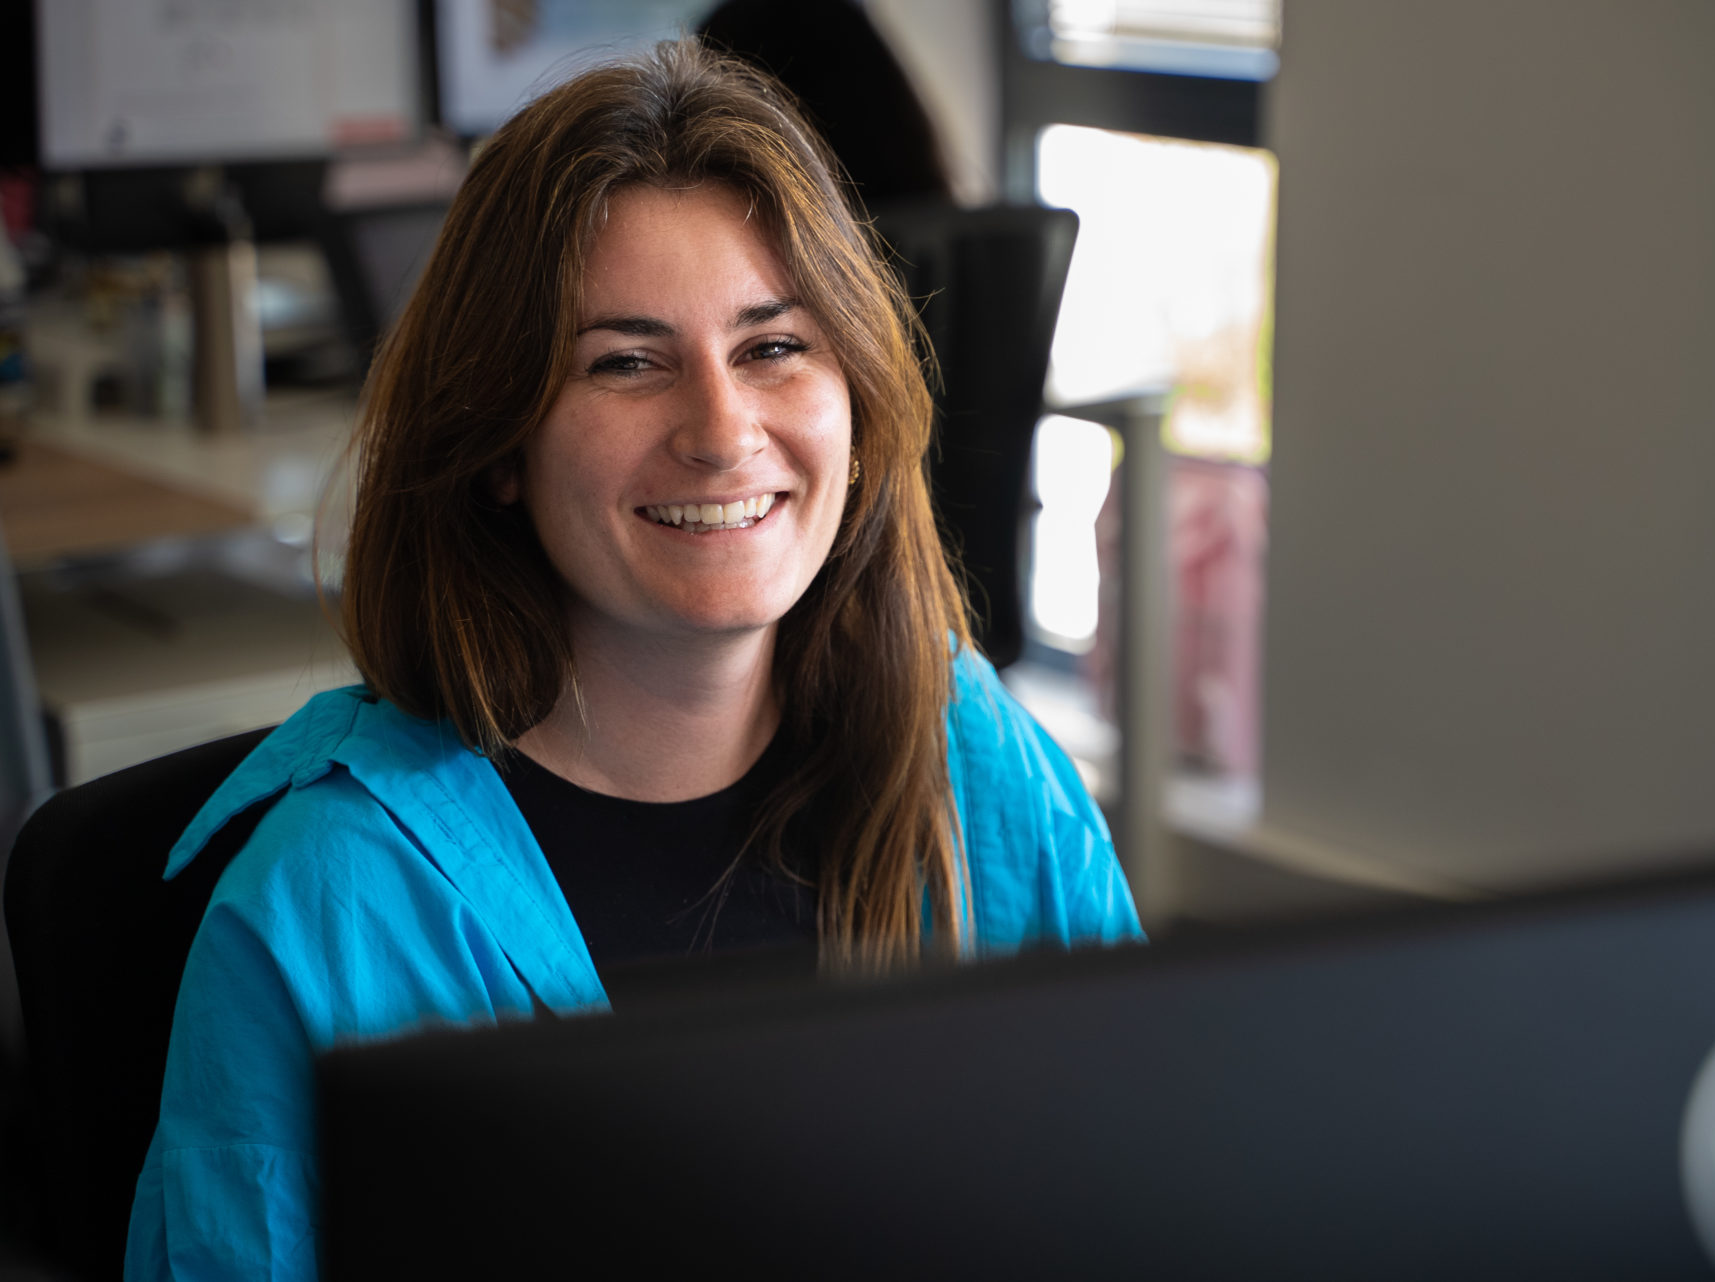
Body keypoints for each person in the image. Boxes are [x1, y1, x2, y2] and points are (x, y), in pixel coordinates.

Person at [124, 39, 1139, 1281]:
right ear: (498, 445)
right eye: (626, 362)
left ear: (858, 405)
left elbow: (1145, 1202)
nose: (721, 431)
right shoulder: (325, 906)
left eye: (773, 346)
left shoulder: (977, 770)